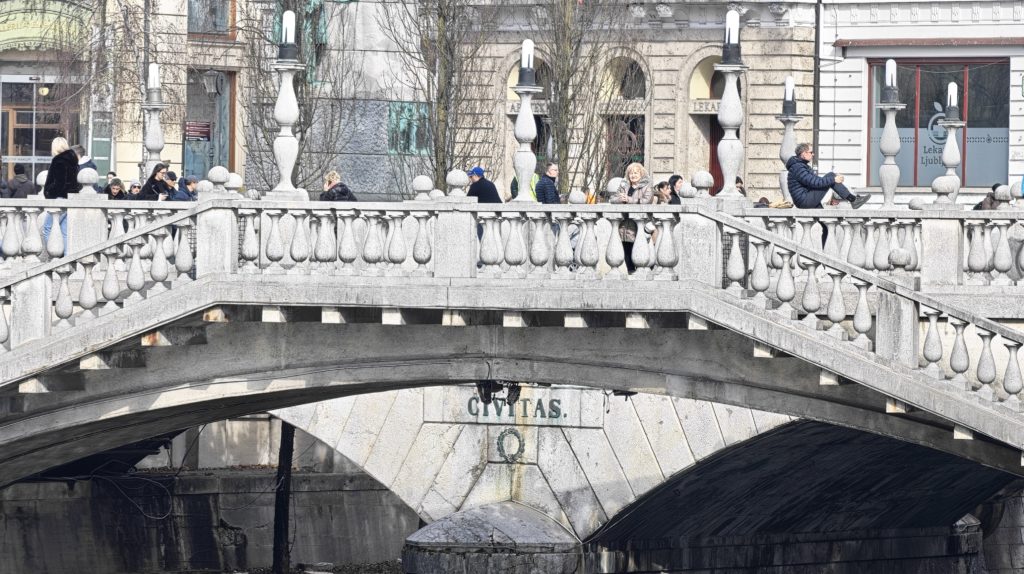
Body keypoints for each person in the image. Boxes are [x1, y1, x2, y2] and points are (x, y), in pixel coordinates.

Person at [786, 143, 870, 209]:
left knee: (824, 221)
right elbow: (814, 182)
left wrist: (834, 179)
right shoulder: (798, 167)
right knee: (831, 175)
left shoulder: (800, 166)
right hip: (804, 200)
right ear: (804, 154)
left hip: (805, 198)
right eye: (811, 152)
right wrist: (833, 179)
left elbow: (815, 180)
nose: (813, 154)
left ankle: (853, 200)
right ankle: (853, 200)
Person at [610, 162, 653, 274]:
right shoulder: (624, 186)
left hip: (638, 224)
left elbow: (647, 201)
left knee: (639, 248)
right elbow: (612, 199)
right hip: (624, 224)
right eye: (631, 173)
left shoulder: (647, 186)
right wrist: (620, 199)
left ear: (641, 174)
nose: (633, 175)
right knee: (626, 250)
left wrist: (629, 200)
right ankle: (631, 271)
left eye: (636, 173)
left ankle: (641, 271)